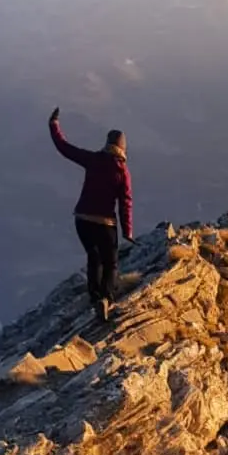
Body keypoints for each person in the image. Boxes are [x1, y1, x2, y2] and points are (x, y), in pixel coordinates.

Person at [48, 107, 133, 321]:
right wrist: (127, 231)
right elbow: (125, 202)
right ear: (123, 147)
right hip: (105, 223)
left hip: (82, 220)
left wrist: (54, 125)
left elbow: (65, 148)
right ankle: (107, 298)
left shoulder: (93, 159)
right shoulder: (122, 171)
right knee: (111, 262)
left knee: (94, 259)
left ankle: (95, 299)